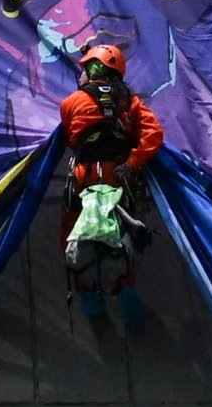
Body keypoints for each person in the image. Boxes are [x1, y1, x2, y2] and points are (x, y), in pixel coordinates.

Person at [56, 41, 162, 322]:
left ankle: (88, 295)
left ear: (93, 69)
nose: (80, 75)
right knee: (120, 232)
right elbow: (153, 136)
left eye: (83, 69)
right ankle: (125, 288)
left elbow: (69, 137)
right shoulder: (131, 103)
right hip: (118, 177)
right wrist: (132, 163)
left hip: (83, 176)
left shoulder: (71, 103)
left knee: (74, 231)